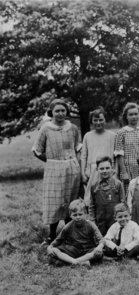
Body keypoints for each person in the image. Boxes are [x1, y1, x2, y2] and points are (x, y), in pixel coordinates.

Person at [32, 99, 81, 244]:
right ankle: (52, 235)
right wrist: (50, 162)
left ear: (67, 112)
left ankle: (69, 233)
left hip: (72, 168)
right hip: (53, 168)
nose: (60, 114)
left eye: (63, 111)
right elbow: (37, 150)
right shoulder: (46, 128)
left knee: (70, 200)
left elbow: (77, 147)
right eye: (57, 111)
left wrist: (76, 164)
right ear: (51, 113)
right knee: (54, 202)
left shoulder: (72, 128)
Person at [47, 199, 104, 267]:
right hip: (73, 250)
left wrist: (100, 247)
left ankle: (74, 261)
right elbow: (57, 241)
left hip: (87, 250)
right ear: (70, 215)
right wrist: (49, 248)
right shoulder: (68, 226)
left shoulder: (91, 225)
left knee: (98, 253)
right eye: (75, 215)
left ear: (85, 214)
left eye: (80, 214)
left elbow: (101, 240)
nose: (78, 217)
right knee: (54, 250)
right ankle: (77, 262)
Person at [81, 107, 116, 206]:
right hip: (92, 171)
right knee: (93, 196)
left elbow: (115, 155)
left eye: (101, 120)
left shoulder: (112, 136)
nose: (98, 122)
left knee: (108, 195)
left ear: (105, 120)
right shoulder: (87, 136)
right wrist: (83, 173)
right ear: (91, 121)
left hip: (108, 170)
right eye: (95, 120)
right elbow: (83, 156)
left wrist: (115, 170)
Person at [89, 156, 125, 236]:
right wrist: (92, 221)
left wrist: (122, 219)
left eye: (107, 168)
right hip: (100, 222)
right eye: (101, 169)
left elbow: (123, 203)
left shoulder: (118, 184)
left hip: (115, 221)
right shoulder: (94, 186)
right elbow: (91, 206)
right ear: (97, 169)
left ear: (112, 168)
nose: (104, 171)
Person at [114, 103, 139, 194]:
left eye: (136, 114)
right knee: (129, 194)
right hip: (128, 168)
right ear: (126, 116)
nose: (134, 117)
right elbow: (119, 154)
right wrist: (124, 172)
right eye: (130, 114)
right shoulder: (122, 132)